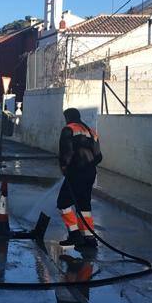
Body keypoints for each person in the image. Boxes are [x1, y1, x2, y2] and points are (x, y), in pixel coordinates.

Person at [56, 107, 102, 253]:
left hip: (75, 173)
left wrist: (65, 167)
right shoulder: (91, 131)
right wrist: (88, 166)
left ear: (68, 117)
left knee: (63, 203)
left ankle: (74, 234)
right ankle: (89, 238)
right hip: (90, 173)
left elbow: (66, 153)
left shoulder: (68, 130)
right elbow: (99, 156)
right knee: (84, 205)